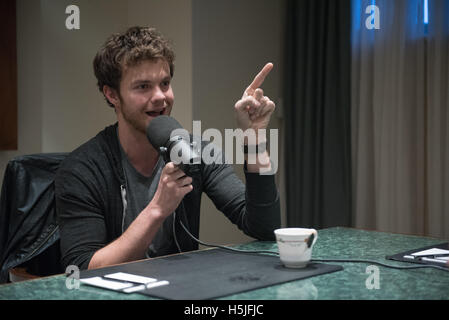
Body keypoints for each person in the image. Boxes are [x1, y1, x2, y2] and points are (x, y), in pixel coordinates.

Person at [55, 26, 280, 271]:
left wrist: (254, 136)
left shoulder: (196, 152)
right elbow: (82, 268)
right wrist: (157, 209)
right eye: (143, 87)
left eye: (165, 83)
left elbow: (264, 228)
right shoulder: (82, 169)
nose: (161, 96)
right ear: (112, 95)